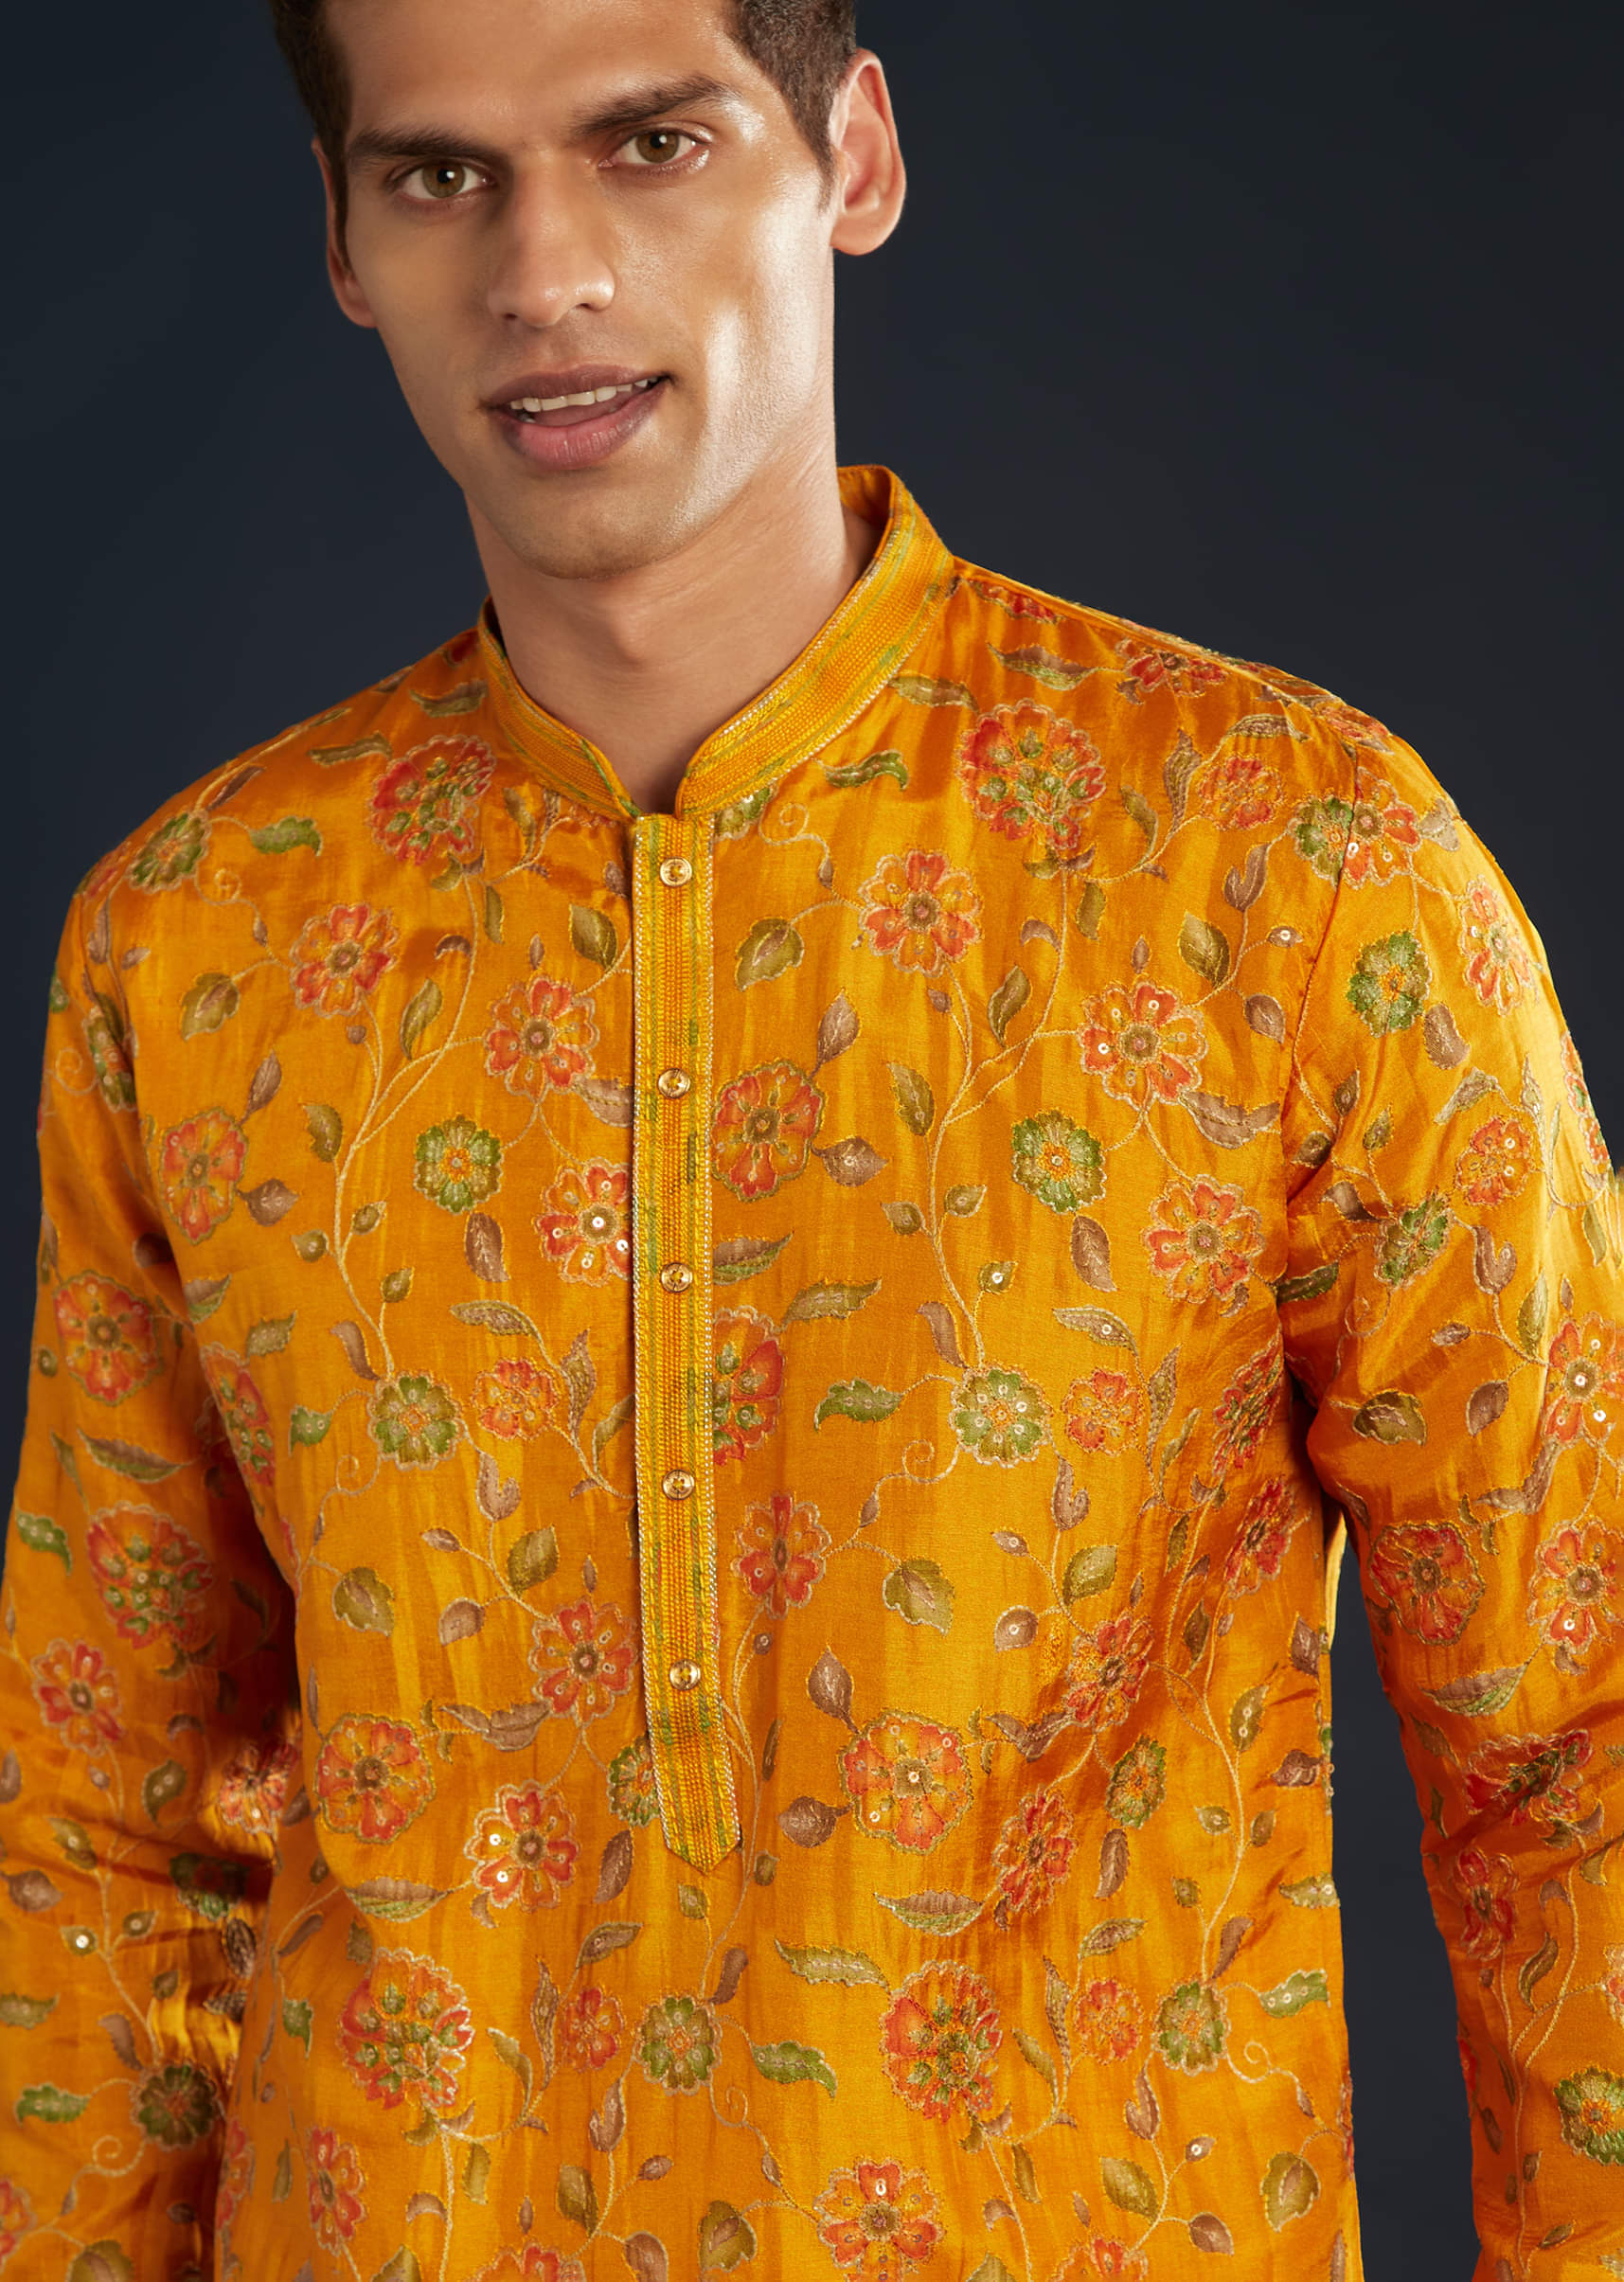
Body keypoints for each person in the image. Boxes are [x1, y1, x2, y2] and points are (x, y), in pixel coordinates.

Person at [0, 0, 1618, 2274]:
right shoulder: (198, 942)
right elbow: (110, 1823)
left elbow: (1578, 1748)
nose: (545, 271)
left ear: (851, 157)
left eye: (650, 142)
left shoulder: (1283, 868)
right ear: (346, 245)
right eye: (442, 177)